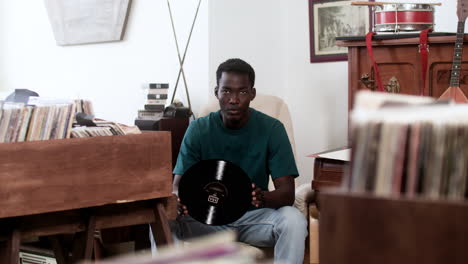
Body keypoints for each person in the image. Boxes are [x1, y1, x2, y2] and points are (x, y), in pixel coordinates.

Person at [169, 58, 307, 264]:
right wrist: (179, 202)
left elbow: (287, 194)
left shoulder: (272, 129)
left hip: (255, 219)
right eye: (226, 91)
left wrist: (264, 198)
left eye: (242, 92)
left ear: (252, 93)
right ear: (217, 92)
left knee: (293, 219)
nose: (233, 99)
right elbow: (178, 186)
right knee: (162, 216)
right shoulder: (198, 129)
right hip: (207, 222)